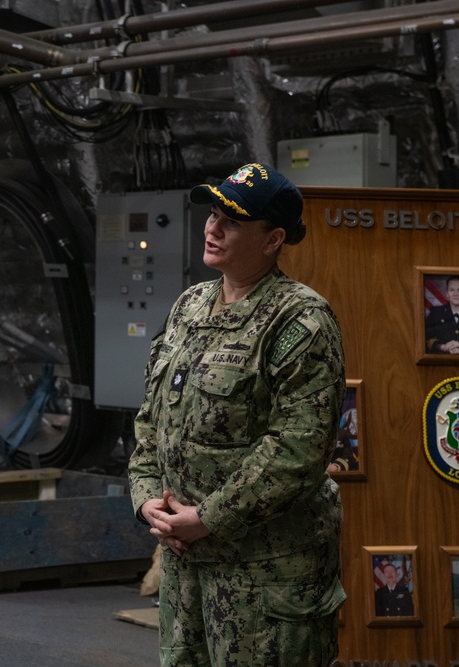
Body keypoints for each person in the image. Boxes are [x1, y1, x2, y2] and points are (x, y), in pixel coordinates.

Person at [129, 162, 347, 666]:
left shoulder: (301, 319)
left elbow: (297, 449)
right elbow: (152, 418)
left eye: (233, 220)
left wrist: (206, 518)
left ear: (272, 240)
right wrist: (147, 502)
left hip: (266, 576)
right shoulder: (190, 307)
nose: (212, 227)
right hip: (187, 568)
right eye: (212, 213)